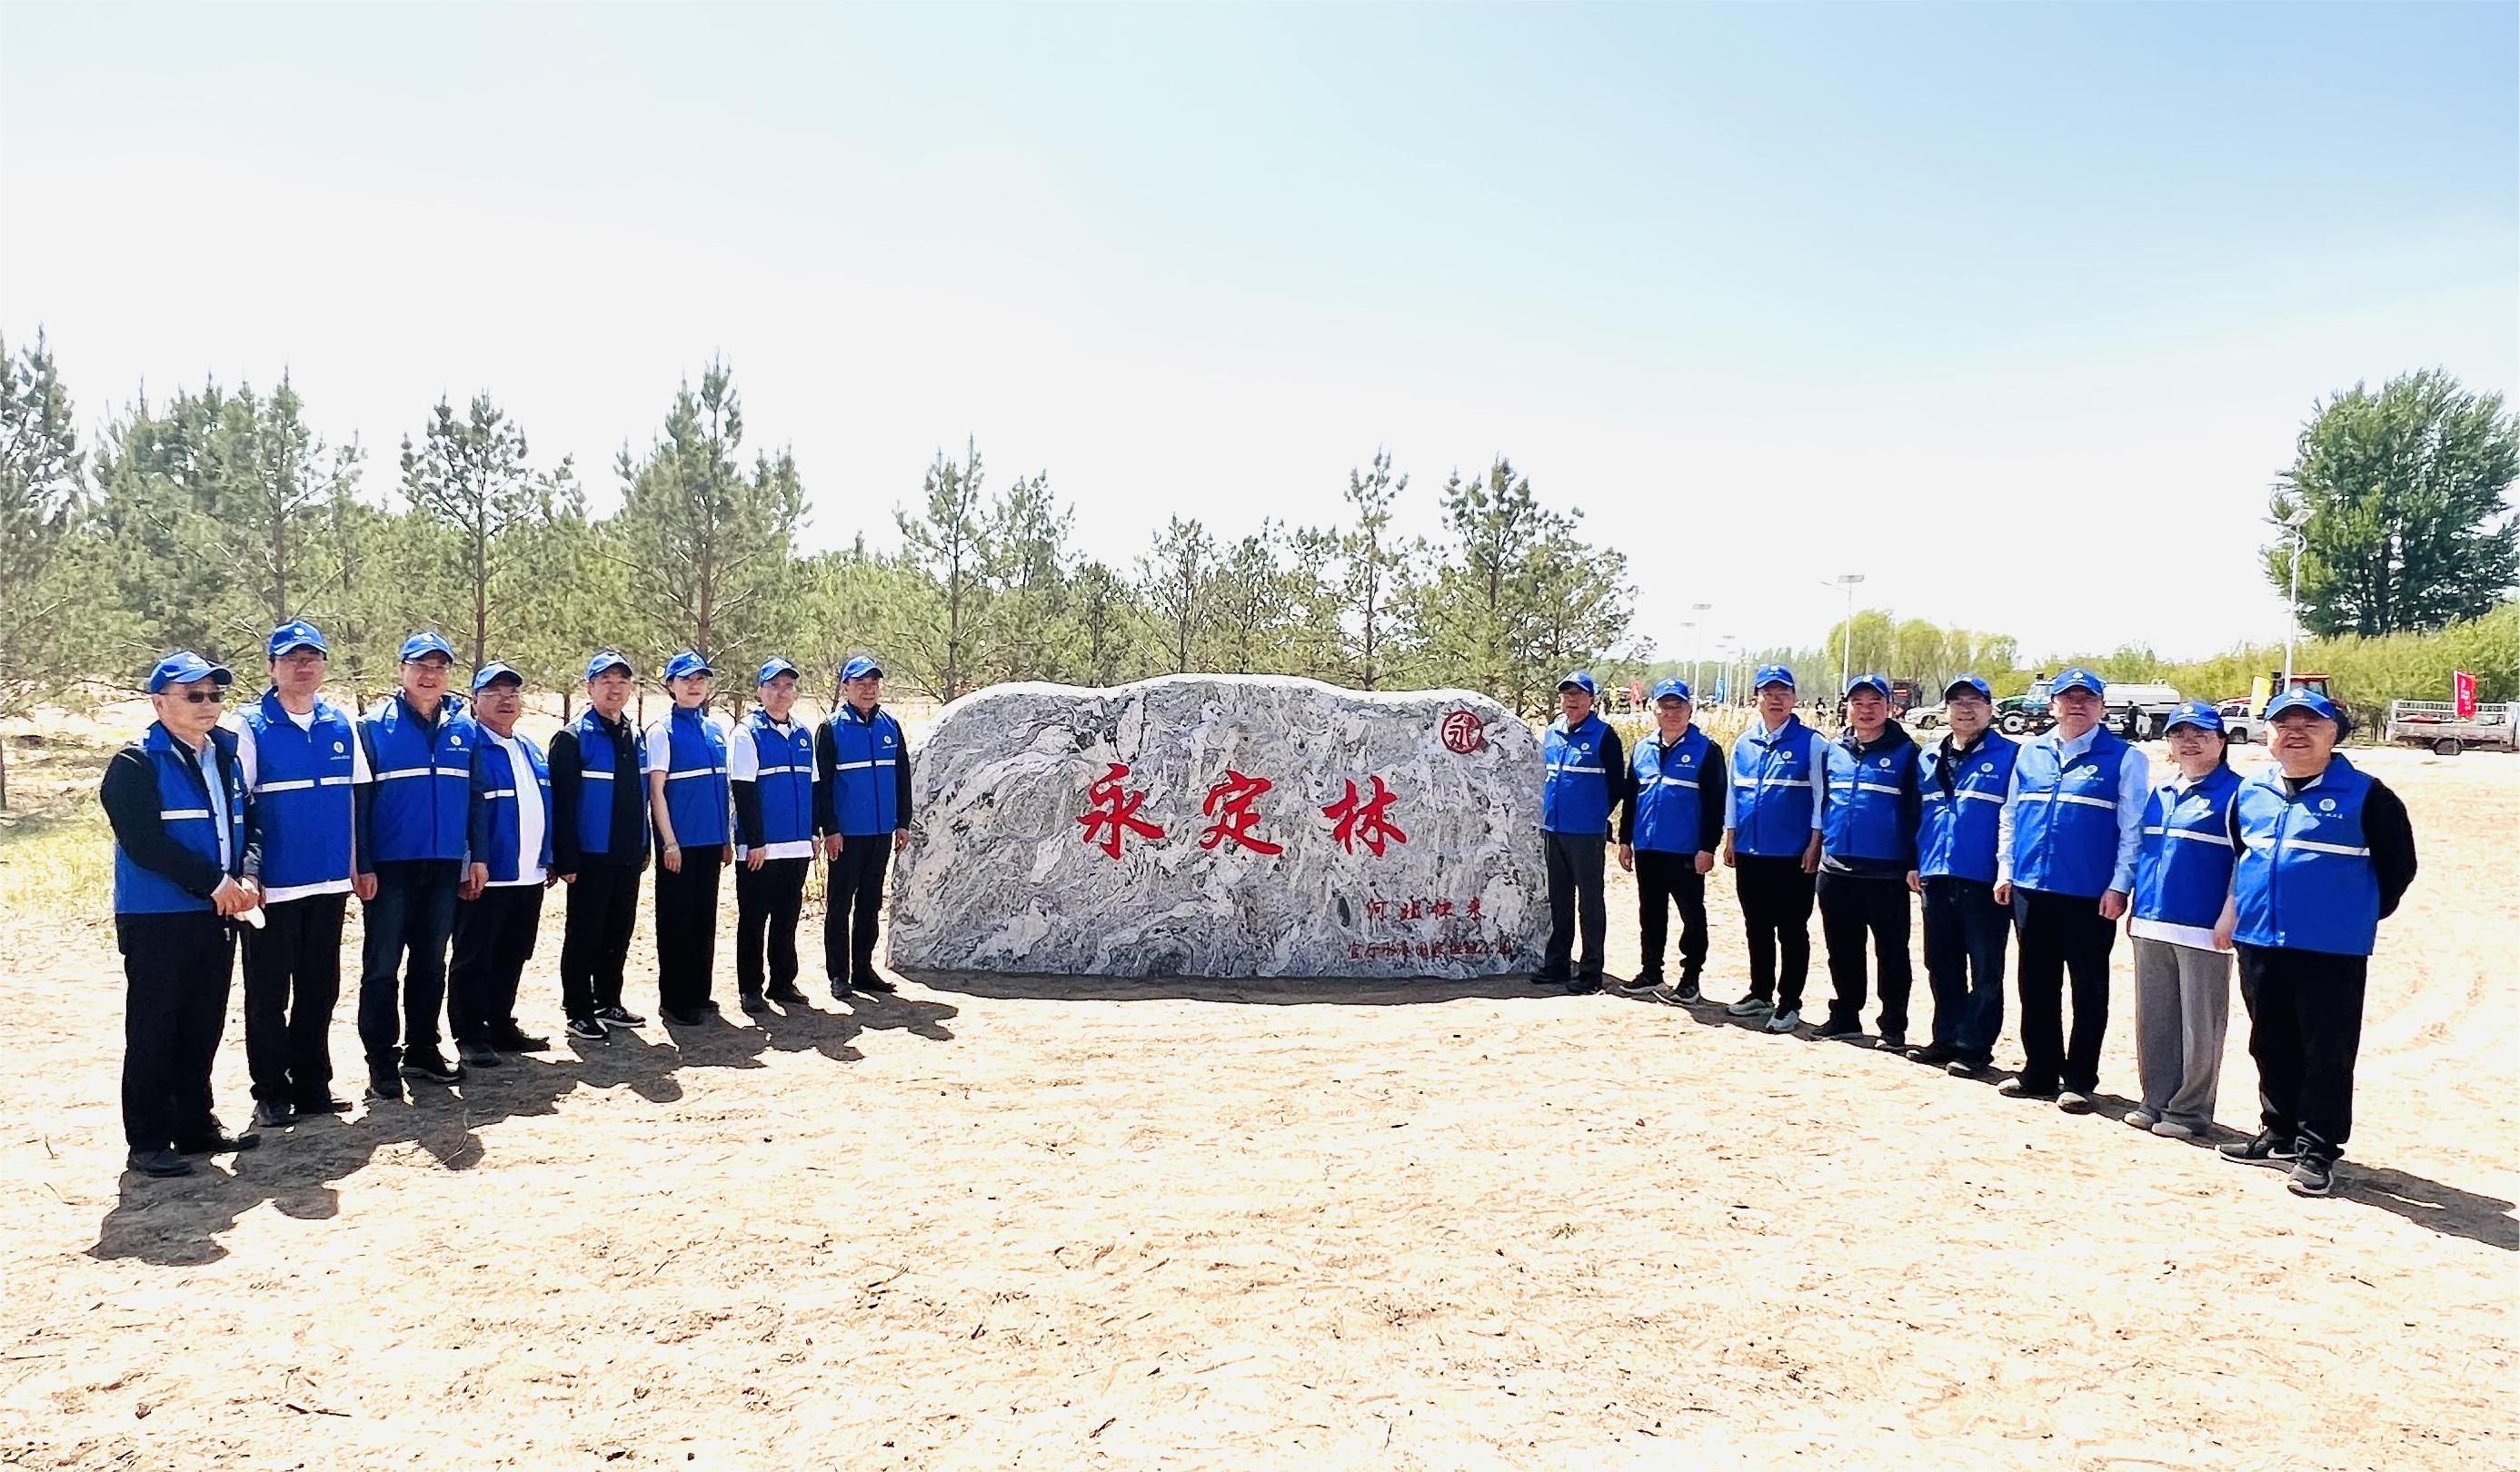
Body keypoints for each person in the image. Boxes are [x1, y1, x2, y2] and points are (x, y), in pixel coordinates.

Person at [2215, 688, 2417, 1198]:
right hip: (2260, 938)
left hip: (2331, 948)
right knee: (2269, 1040)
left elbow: (2398, 867)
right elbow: (2244, 856)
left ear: (2335, 735)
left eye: (2311, 724)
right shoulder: (2251, 793)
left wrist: (2355, 914)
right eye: (2284, 724)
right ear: (2269, 734)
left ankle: (2318, 1151)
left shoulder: (2368, 794)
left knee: (2325, 1052)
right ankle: (2279, 1132)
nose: (2295, 733)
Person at [100, 652, 262, 1177]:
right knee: (155, 1026)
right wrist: (215, 883)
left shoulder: (225, 756)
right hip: (158, 917)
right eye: (195, 696)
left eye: (215, 695)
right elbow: (145, 844)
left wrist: (248, 877)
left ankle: (195, 1125)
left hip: (215, 912)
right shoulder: (133, 765)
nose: (209, 705)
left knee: (203, 1022)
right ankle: (147, 1139)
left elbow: (248, 824)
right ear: (158, 702)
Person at [230, 620, 366, 1129]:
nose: (303, 667)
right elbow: (239, 805)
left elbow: (354, 800)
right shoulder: (249, 726)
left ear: (324, 667)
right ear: (271, 668)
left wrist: (357, 865)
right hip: (274, 885)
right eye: (290, 659)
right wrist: (248, 873)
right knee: (268, 995)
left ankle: (313, 1085)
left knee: (320, 988)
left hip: (329, 882)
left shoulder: (339, 724)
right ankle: (269, 1091)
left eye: (311, 659)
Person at [1993, 667, 2146, 1114]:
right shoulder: (2030, 753)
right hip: (2030, 887)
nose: (2077, 705)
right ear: (2052, 705)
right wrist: (2006, 870)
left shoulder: (2125, 757)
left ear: (2101, 706)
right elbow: (2011, 815)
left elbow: (2132, 828)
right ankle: (2039, 1070)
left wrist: (2120, 885)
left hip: (2089, 893)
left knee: (2088, 987)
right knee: (2035, 983)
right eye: (2068, 698)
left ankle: (2079, 1078)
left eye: (2087, 698)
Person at [354, 632, 477, 1100]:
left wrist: (475, 856)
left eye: (439, 667)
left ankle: (423, 1049)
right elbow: (359, 803)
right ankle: (381, 1061)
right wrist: (362, 862)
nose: (430, 675)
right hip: (390, 866)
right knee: (383, 965)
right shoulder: (372, 727)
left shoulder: (462, 728)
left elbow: (475, 797)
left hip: (444, 864)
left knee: (431, 962)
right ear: (402, 671)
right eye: (420, 666)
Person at [2123, 701, 2243, 1142]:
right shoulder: (2162, 792)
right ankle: (2155, 1100)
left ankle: (2189, 1111)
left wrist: (2230, 913)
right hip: (2152, 921)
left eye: (2201, 734)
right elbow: (2143, 852)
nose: (2189, 742)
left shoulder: (2238, 794)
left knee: (2200, 1026)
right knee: (2154, 1019)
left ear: (2221, 741)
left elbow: (2242, 862)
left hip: (2202, 926)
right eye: (2179, 734)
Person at [1906, 675, 2017, 1077]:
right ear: (1946, 710)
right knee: (1941, 962)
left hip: (1984, 877)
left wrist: (2005, 870)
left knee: (1986, 967)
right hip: (1936, 873)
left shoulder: (2012, 756)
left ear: (1990, 709)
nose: (1966, 709)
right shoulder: (1927, 756)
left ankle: (1975, 1047)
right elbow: (1918, 814)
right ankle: (1946, 1037)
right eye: (1957, 702)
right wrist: (1915, 862)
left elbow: (2015, 819)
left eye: (1975, 701)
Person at [447, 662, 555, 1069]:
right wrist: (469, 861)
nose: (506, 700)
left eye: (512, 692)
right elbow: (464, 810)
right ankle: (470, 1034)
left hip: (528, 871)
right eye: (493, 693)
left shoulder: (529, 747)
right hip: (487, 873)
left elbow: (544, 806)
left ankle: (500, 1023)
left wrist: (549, 855)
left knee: (514, 951)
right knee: (475, 954)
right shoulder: (469, 744)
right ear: (474, 701)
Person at [1813, 673, 1922, 1049]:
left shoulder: (1909, 754)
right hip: (1837, 868)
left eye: (1875, 702)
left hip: (1886, 872)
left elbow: (1915, 812)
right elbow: (1824, 803)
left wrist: (1912, 861)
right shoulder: (1834, 750)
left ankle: (1893, 1025)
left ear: (1889, 707)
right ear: (1847, 707)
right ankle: (1845, 1015)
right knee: (1841, 948)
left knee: (1891, 952)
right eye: (1858, 702)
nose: (1866, 710)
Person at [1721, 665, 1828, 1034]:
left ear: (1794, 698)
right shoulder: (1743, 743)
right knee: (1757, 926)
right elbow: (1734, 794)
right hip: (1751, 851)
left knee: (1792, 929)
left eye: (1783, 692)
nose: (1776, 698)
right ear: (1757, 698)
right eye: (1769, 692)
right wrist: (1730, 836)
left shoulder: (1812, 743)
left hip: (1793, 855)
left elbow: (1820, 798)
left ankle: (1789, 1002)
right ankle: (1760, 993)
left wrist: (1815, 843)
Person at [550, 651, 650, 1041]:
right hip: (589, 855)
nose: (614, 688)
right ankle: (578, 1009)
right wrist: (566, 856)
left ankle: (609, 1001)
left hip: (627, 853)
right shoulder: (571, 738)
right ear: (589, 687)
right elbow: (563, 803)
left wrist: (644, 846)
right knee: (584, 933)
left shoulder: (635, 735)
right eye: (605, 680)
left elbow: (639, 796)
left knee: (618, 931)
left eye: (622, 681)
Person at [1615, 678, 1722, 1005]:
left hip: (1687, 850)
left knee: (1691, 914)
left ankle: (1690, 978)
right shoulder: (1642, 748)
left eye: (1679, 706)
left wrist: (1708, 846)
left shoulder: (1707, 750)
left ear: (1690, 709)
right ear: (1654, 709)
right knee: (1650, 912)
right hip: (1648, 846)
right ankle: (1651, 971)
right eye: (1665, 706)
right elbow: (1631, 797)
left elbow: (1716, 803)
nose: (1672, 712)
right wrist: (1624, 840)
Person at [816, 654, 913, 999]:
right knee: (841, 904)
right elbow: (822, 784)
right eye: (860, 683)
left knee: (871, 903)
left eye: (873, 683)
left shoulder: (891, 726)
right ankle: (839, 975)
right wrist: (829, 828)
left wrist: (902, 822)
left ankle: (863, 969)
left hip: (880, 832)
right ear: (845, 688)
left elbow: (902, 777)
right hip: (846, 835)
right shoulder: (831, 729)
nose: (868, 689)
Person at [645, 651, 732, 1026]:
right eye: (686, 680)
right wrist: (669, 842)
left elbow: (721, 788)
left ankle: (699, 993)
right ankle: (675, 1000)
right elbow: (656, 791)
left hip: (710, 841)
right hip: (679, 844)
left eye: (700, 679)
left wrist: (726, 837)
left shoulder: (714, 730)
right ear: (671, 686)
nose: (694, 686)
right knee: (676, 921)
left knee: (703, 919)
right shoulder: (661, 730)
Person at [730, 657, 820, 1012]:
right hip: (761, 848)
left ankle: (783, 983)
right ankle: (750, 988)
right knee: (754, 918)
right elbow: (744, 790)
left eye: (788, 686)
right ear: (760, 691)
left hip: (796, 844)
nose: (782, 692)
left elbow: (812, 785)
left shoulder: (802, 733)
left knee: (787, 917)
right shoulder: (746, 732)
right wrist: (755, 841)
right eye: (774, 685)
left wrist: (813, 832)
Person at [1538, 671, 1628, 994]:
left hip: (1586, 833)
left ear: (1592, 700)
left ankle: (1590, 972)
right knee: (1559, 900)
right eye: (1566, 694)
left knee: (1589, 903)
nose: (1572, 700)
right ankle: (1558, 964)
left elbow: (1618, 785)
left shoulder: (1605, 736)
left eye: (1579, 694)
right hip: (1554, 828)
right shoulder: (1551, 733)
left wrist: (1595, 814)